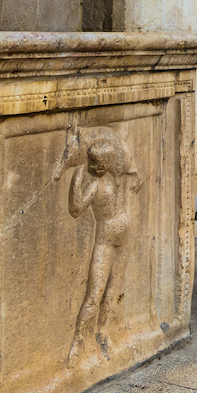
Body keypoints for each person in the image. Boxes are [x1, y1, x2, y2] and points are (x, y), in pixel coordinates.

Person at [56, 128, 141, 365]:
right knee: (95, 294)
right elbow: (75, 209)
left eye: (105, 163)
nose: (101, 167)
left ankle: (103, 332)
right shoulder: (94, 185)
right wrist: (76, 180)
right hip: (106, 237)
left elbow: (126, 159)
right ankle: (78, 340)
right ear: (92, 164)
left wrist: (136, 176)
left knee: (114, 289)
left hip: (123, 232)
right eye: (97, 164)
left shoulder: (115, 175)